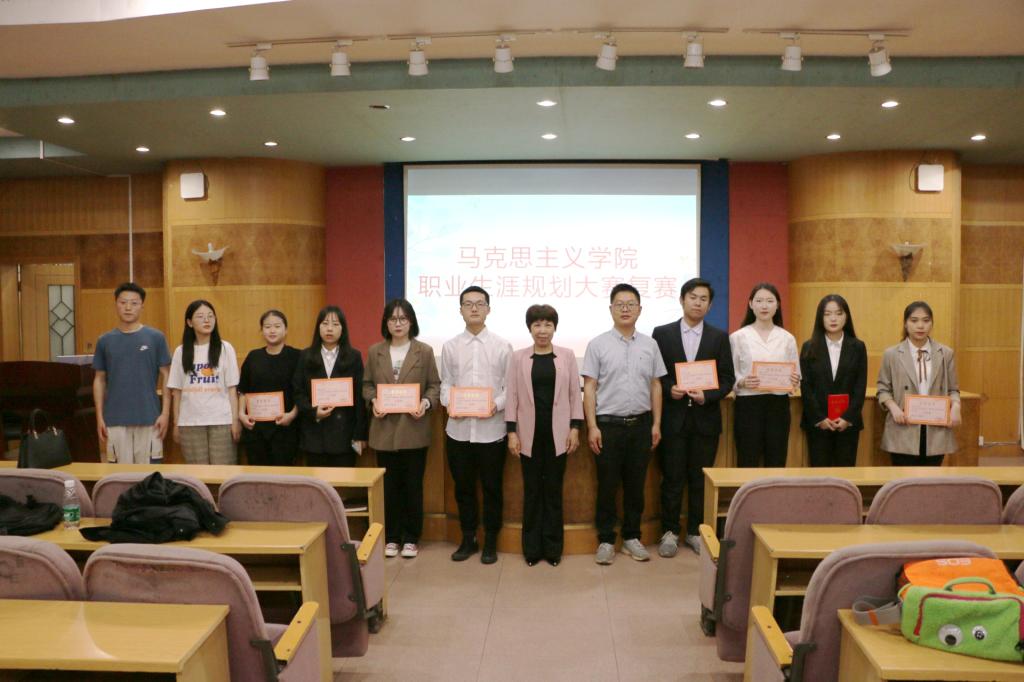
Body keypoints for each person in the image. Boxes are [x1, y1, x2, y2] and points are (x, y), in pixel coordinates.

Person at [583, 283, 667, 565]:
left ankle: (632, 537)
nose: (625, 309)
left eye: (631, 304)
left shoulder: (650, 345)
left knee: (635, 485)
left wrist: (656, 424)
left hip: (642, 425)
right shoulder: (597, 344)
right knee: (607, 485)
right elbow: (590, 387)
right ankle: (606, 539)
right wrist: (592, 426)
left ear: (640, 309)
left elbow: (656, 385)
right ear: (611, 309)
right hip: (608, 426)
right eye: (620, 304)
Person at [652, 278, 734, 557]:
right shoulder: (662, 334)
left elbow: (727, 379)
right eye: (693, 297)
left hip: (705, 419)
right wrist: (669, 389)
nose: (697, 303)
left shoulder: (719, 337)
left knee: (700, 480)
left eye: (703, 299)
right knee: (672, 478)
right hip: (672, 419)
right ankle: (669, 532)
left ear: (709, 306)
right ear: (682, 300)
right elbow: (656, 374)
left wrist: (707, 396)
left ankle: (696, 532)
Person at [505, 304, 584, 567]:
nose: (542, 330)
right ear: (529, 328)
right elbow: (512, 395)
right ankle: (531, 549)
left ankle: (552, 549)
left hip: (558, 435)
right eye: (537, 324)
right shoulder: (518, 357)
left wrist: (575, 427)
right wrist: (511, 432)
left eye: (547, 324)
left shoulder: (567, 356)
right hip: (528, 434)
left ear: (554, 328)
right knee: (531, 492)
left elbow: (574, 394)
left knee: (553, 491)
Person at [363, 298, 440, 560]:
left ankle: (411, 537)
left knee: (412, 486)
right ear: (386, 323)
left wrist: (425, 403)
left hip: (414, 429)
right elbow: (367, 385)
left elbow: (434, 385)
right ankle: (392, 537)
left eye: (403, 319)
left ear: (411, 322)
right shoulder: (375, 351)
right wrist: (373, 401)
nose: (398, 324)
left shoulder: (424, 351)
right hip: (384, 430)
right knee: (389, 488)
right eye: (393, 319)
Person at [440, 286, 512, 565]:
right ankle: (468, 538)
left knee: (492, 489)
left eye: (479, 304)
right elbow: (446, 383)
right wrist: (449, 403)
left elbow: (510, 389)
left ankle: (491, 541)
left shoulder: (502, 346)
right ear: (460, 310)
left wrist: (496, 405)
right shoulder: (450, 346)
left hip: (491, 431)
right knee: (463, 489)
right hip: (458, 432)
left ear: (488, 309)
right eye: (468, 304)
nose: (474, 308)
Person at [92, 282, 172, 463]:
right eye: (123, 302)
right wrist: (99, 417)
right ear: (116, 305)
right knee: (119, 475)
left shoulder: (156, 337)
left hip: (150, 418)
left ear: (142, 306)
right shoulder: (105, 340)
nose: (128, 307)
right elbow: (99, 379)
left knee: (150, 475)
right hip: (115, 418)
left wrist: (165, 413)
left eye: (134, 303)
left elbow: (167, 375)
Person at [876, 301, 961, 466]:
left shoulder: (945, 353)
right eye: (914, 320)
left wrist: (956, 406)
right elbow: (883, 389)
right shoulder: (891, 354)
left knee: (931, 478)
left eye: (926, 320)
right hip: (903, 427)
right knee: (903, 478)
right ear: (905, 324)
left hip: (935, 428)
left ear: (932, 323)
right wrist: (893, 408)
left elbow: (953, 389)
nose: (920, 326)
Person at [730, 282, 800, 468]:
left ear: (777, 305)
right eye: (759, 301)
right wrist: (742, 382)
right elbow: (730, 375)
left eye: (770, 301)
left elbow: (796, 375)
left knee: (776, 460)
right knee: (747, 459)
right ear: (750, 304)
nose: (764, 306)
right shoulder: (738, 337)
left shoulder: (787, 338)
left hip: (778, 405)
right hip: (748, 405)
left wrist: (794, 381)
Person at [293, 305, 367, 467]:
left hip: (344, 436)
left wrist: (360, 434)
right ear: (318, 327)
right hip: (314, 436)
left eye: (335, 324)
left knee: (344, 482)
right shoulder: (305, 356)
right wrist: (314, 411)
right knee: (317, 483)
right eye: (325, 323)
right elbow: (298, 391)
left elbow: (360, 397)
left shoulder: (354, 356)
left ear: (343, 329)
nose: (329, 329)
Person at [167, 299, 240, 464]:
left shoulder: (225, 348)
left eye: (210, 316)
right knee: (197, 473)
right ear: (189, 322)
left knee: (223, 471)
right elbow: (177, 392)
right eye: (200, 316)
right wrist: (176, 423)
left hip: (222, 421)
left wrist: (235, 421)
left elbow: (232, 390)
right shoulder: (180, 351)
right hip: (190, 423)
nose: (207, 320)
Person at [799, 295, 868, 467]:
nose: (833, 318)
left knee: (845, 474)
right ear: (820, 317)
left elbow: (860, 386)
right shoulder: (809, 347)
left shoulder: (858, 347)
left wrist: (847, 418)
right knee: (820, 475)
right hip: (819, 425)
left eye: (838, 313)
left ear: (846, 316)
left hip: (847, 425)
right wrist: (820, 418)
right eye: (827, 314)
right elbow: (806, 387)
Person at [237, 310, 301, 466]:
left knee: (283, 474)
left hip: (286, 428)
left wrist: (292, 415)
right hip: (256, 428)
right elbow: (243, 390)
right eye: (267, 327)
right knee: (258, 474)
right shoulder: (253, 357)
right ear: (261, 331)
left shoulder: (297, 356)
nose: (272, 330)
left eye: (277, 326)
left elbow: (303, 392)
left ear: (286, 330)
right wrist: (241, 414)